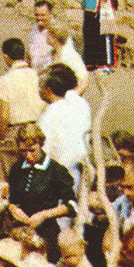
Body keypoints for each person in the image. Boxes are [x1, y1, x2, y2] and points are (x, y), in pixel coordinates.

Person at [0, 124, 76, 250]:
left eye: (32, 150)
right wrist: (12, 208)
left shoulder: (56, 170)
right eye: (23, 151)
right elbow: (11, 198)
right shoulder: (17, 168)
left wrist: (43, 215)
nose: (28, 156)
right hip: (19, 231)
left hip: (46, 233)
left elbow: (72, 205)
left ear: (40, 145)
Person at [0, 37, 47, 183]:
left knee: (5, 175)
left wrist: (0, 140)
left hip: (16, 132)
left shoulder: (5, 80)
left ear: (6, 56)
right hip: (37, 128)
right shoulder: (36, 75)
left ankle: (4, 201)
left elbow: (3, 116)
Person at [36, 63, 91, 195]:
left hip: (57, 177)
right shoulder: (81, 104)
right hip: (83, 173)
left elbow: (43, 151)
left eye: (40, 86)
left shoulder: (49, 115)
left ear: (48, 90)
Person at [26, 0, 87, 88]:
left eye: (43, 15)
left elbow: (67, 58)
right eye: (36, 15)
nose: (39, 18)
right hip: (36, 77)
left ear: (50, 13)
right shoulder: (34, 29)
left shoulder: (58, 31)